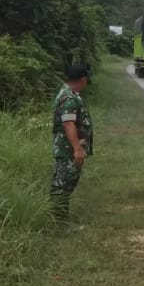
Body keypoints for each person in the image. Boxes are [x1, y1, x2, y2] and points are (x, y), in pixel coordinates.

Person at [50, 64, 94, 223]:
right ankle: (59, 222)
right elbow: (68, 124)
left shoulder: (71, 94)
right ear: (83, 79)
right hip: (67, 150)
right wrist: (77, 149)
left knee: (66, 183)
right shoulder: (69, 98)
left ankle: (60, 219)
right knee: (62, 185)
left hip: (68, 149)